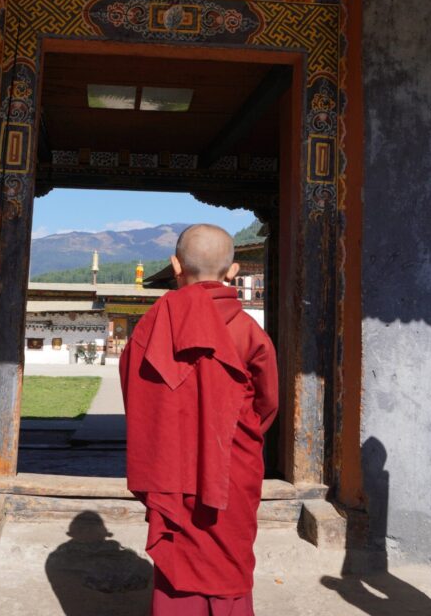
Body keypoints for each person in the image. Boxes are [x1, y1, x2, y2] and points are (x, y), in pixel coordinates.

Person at [119, 224, 279, 615]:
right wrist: (231, 441)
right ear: (233, 272)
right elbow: (267, 403)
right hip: (231, 468)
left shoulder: (152, 326)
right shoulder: (248, 332)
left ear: (175, 265)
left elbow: (133, 392)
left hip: (170, 469)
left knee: (180, 558)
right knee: (228, 558)